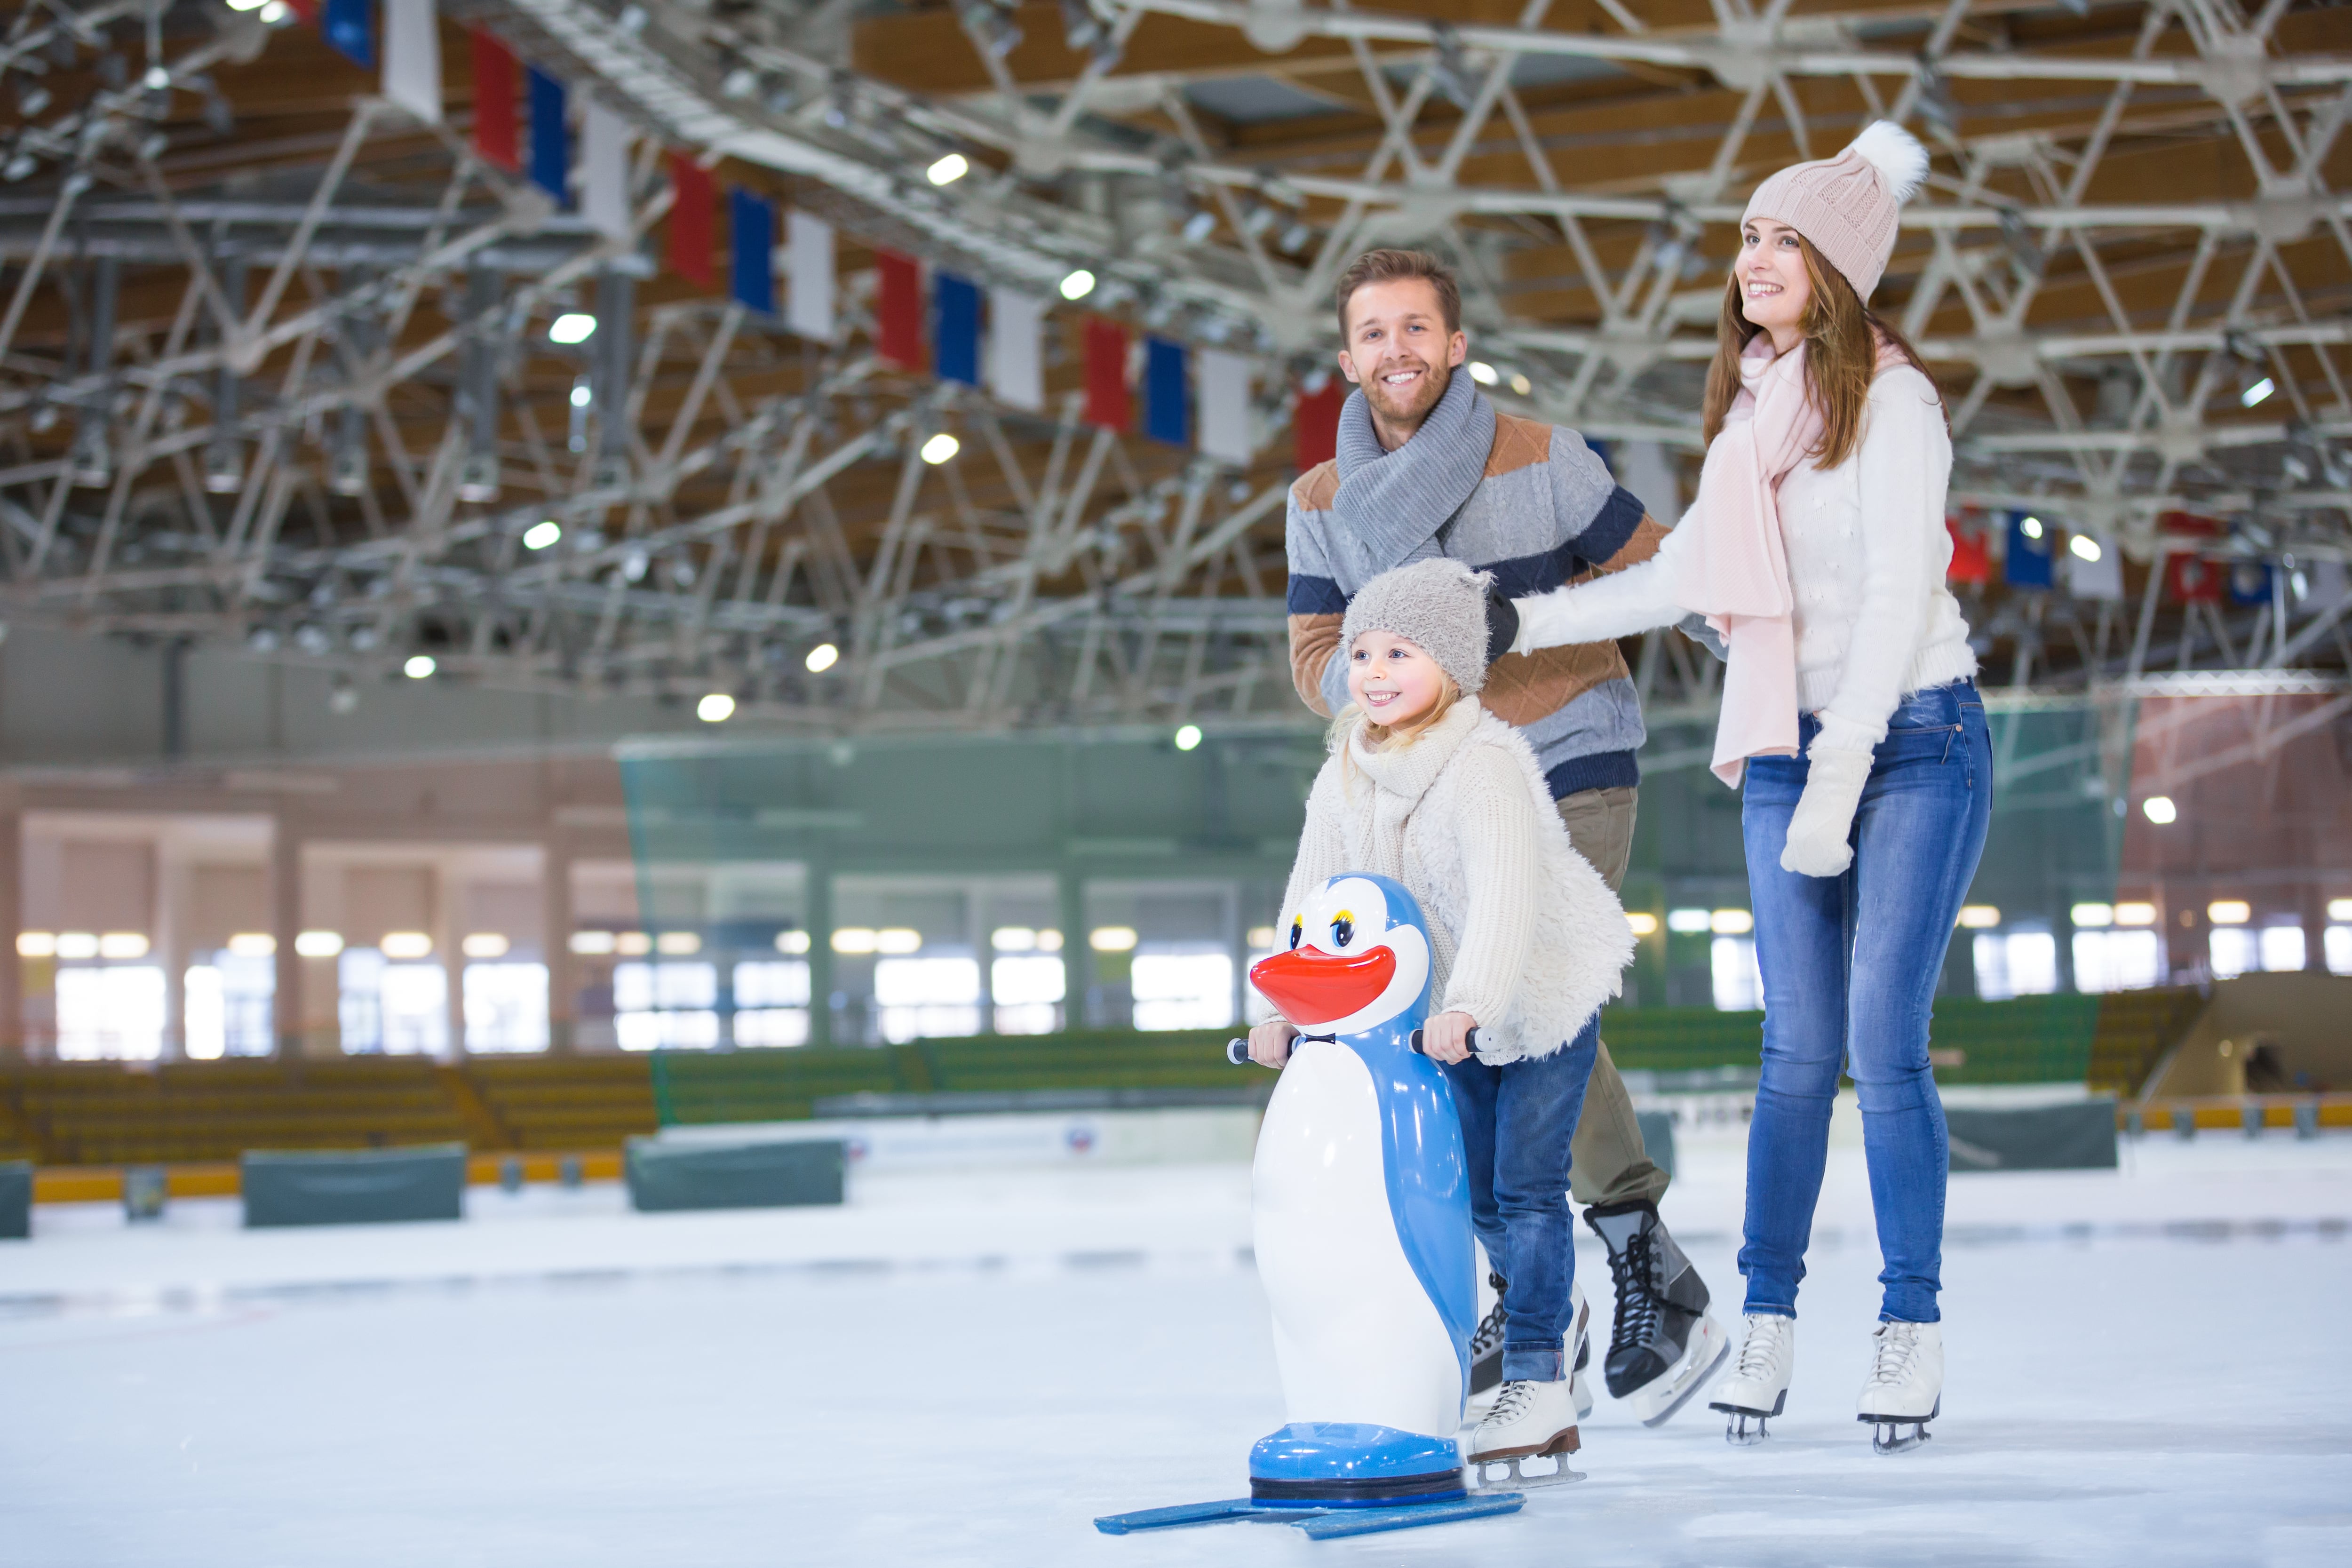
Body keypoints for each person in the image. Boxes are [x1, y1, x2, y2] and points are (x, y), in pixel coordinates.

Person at [1505, 122, 1988, 1452]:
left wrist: (1840, 784)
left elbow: (1898, 601)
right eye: (1748, 236)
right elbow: (1687, 579)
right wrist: (1516, 621)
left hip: (1914, 740)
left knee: (1882, 1045)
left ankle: (1910, 1323)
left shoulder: (1894, 407)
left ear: (1840, 265)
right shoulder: (1749, 415)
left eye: (1782, 237)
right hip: (1784, 750)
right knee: (1794, 1053)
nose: (1751, 257)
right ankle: (1767, 1315)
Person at [1285, 247, 1723, 1426]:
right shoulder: (1320, 502)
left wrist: (1772, 656)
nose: (1397, 351)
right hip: (1424, 798)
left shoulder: (1541, 455)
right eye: (1373, 333)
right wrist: (1398, 691)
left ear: (1457, 343)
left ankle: (1621, 1264)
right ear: (1347, 357)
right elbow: (1316, 657)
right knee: (1484, 1027)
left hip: (1569, 757)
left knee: (1537, 995)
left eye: (1416, 328)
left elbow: (1671, 574)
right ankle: (1596, 1279)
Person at [1250, 557, 1636, 1468]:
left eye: (1401, 652)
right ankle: (1556, 1305)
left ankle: (1538, 1379)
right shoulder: (1346, 770)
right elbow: (1310, 901)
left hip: (1540, 992)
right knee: (1482, 1197)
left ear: (1455, 665)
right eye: (1362, 652)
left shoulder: (1485, 761)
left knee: (1532, 1187)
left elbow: (1508, 898)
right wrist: (1277, 1007)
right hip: (1448, 1013)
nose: (1375, 671)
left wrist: (1472, 1005)